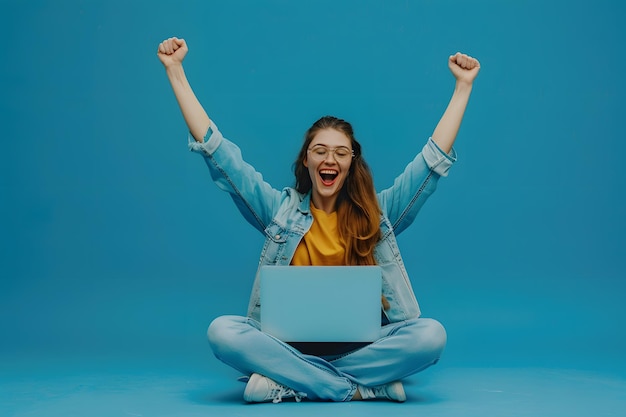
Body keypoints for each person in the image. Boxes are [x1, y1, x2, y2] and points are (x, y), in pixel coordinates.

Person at [157, 36, 480, 403]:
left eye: (341, 152)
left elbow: (430, 166)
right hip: (286, 346)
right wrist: (176, 72)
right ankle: (358, 388)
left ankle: (293, 383)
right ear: (306, 161)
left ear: (351, 163)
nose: (330, 159)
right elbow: (222, 158)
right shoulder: (279, 211)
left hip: (358, 349)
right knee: (222, 332)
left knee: (431, 336)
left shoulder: (378, 215)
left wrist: (462, 88)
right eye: (320, 151)